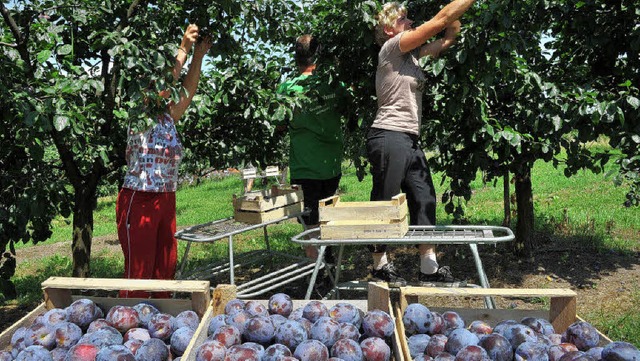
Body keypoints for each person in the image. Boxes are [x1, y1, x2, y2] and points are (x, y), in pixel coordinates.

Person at [367, 1, 474, 286]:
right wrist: (446, 14)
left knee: (424, 197)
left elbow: (448, 37)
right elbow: (439, 22)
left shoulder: (411, 55)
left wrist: (451, 16)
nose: (410, 21)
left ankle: (429, 267)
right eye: (403, 19)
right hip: (388, 134)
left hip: (409, 138)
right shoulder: (392, 48)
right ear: (389, 28)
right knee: (385, 200)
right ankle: (379, 265)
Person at [116, 25, 212, 298]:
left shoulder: (167, 117)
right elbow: (166, 87)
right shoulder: (139, 111)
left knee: (164, 273)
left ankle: (162, 328)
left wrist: (198, 56)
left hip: (166, 198)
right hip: (140, 198)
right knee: (139, 276)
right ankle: (128, 330)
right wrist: (183, 48)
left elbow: (187, 91)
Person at [275, 34, 347, 260]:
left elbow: (279, 124)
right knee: (328, 217)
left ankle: (316, 274)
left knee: (310, 224)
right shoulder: (335, 84)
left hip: (304, 167)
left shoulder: (287, 88)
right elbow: (348, 109)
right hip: (331, 165)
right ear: (319, 54)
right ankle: (329, 264)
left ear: (296, 57)